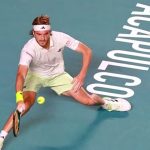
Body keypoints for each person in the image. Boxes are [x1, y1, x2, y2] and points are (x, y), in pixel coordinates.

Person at [0, 15, 131, 149]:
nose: (42, 38)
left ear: (50, 32)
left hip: (58, 76)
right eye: (39, 34)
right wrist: (19, 97)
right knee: (24, 105)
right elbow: (21, 74)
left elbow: (87, 51)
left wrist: (81, 75)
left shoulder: (61, 38)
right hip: (34, 76)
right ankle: (1, 137)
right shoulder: (28, 49)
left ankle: (107, 103)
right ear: (33, 33)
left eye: (45, 34)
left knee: (89, 101)